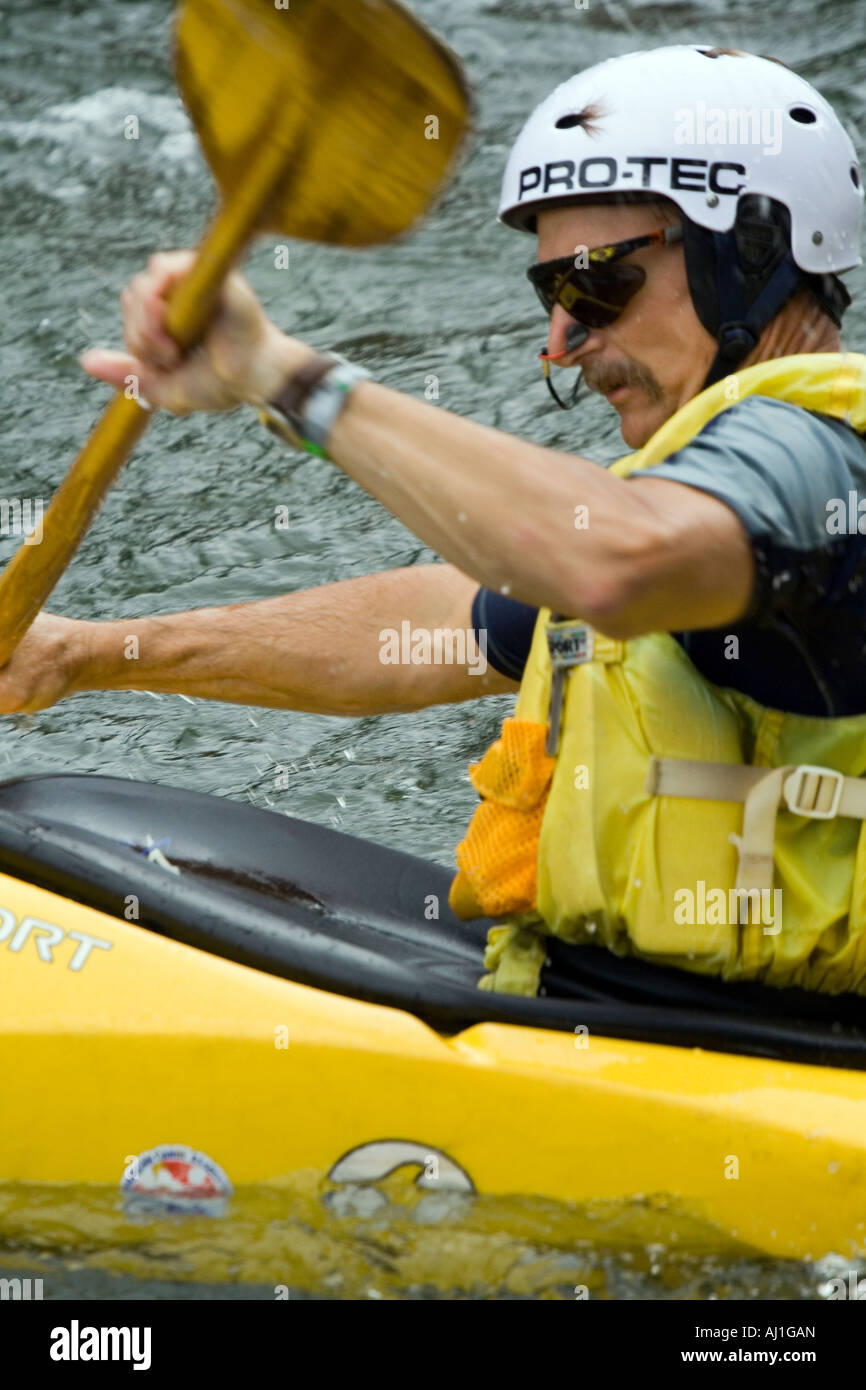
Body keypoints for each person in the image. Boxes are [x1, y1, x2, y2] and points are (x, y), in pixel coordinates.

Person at [2, 45, 865, 996]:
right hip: (597, 997)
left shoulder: (812, 468)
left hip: (734, 1054)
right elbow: (427, 628)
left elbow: (607, 560)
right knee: (62, 834)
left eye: (594, 283)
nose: (561, 341)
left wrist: (288, 377)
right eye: (550, 294)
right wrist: (85, 654)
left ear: (746, 252)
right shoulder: (701, 491)